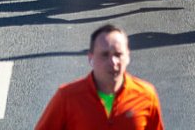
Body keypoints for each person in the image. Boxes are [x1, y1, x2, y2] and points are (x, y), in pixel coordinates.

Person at [33, 24, 164, 130]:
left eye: (118, 55)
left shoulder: (146, 95)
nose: (113, 62)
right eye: (105, 55)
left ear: (128, 56)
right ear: (91, 57)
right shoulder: (67, 97)